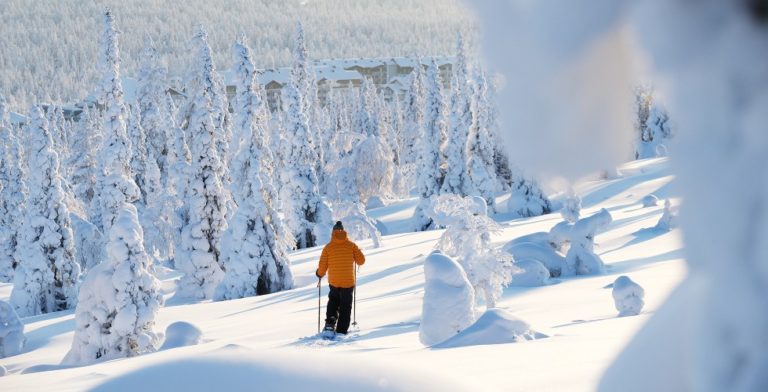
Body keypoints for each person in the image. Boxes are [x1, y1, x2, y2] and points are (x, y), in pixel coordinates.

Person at [316, 221, 365, 335]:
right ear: (344, 232)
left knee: (333, 301)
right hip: (348, 282)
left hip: (334, 281)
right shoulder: (352, 245)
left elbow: (322, 267)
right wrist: (358, 252)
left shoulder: (328, 248)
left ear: (333, 233)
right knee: (345, 306)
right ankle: (342, 330)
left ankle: (329, 324)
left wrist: (319, 274)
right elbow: (361, 261)